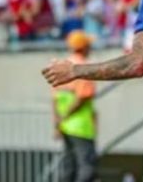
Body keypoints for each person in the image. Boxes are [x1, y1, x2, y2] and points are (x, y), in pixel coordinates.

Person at [52, 31, 97, 182]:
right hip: (81, 126)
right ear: (83, 47)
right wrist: (66, 116)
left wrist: (58, 123)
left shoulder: (63, 67)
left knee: (69, 165)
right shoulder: (83, 68)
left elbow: (55, 99)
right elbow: (82, 97)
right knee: (86, 165)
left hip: (66, 126)